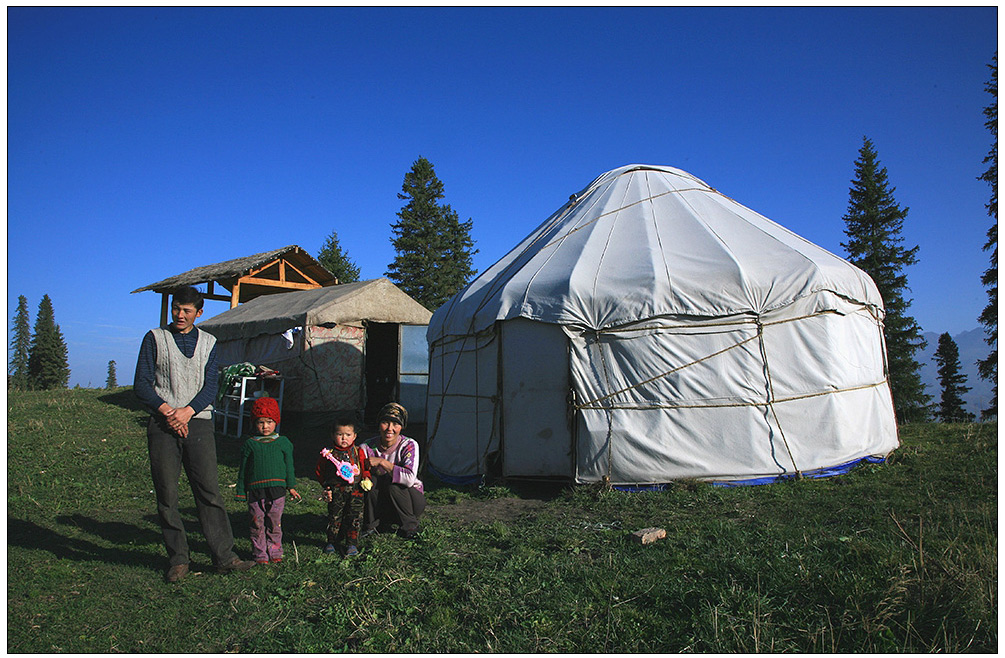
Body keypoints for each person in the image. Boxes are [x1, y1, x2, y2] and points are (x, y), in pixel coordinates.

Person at [133, 286, 257, 583]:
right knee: (167, 493)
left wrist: (186, 412)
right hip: (163, 424)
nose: (180, 314)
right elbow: (141, 384)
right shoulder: (155, 338)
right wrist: (168, 412)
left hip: (198, 422)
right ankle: (178, 559)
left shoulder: (209, 342)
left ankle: (224, 556)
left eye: (187, 310)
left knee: (208, 491)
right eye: (176, 308)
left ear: (199, 313)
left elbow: (211, 386)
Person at [235, 397, 300, 564]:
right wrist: (241, 491)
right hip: (256, 491)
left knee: (274, 521)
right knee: (257, 523)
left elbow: (289, 466)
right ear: (254, 423)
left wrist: (291, 486)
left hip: (277, 490)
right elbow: (243, 469)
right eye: (260, 422)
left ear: (276, 422)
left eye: (270, 422)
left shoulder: (283, 443)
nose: (265, 426)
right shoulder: (250, 444)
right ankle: (259, 553)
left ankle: (275, 551)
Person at [361, 403, 426, 540]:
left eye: (396, 424)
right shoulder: (366, 447)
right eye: (385, 422)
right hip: (382, 503)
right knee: (369, 481)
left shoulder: (408, 445)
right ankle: (371, 525)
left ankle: (410, 526)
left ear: (402, 427)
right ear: (379, 425)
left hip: (410, 502)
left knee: (394, 484)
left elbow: (409, 479)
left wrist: (382, 462)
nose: (390, 429)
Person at [315, 417, 371, 557]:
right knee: (335, 516)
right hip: (336, 490)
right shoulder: (328, 454)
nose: (344, 438)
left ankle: (352, 543)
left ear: (354, 436)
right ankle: (332, 541)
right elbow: (320, 471)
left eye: (348, 435)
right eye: (340, 434)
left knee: (355, 517)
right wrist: (326, 486)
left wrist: (366, 478)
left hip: (356, 490)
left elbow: (364, 467)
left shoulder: (359, 452)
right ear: (333, 435)